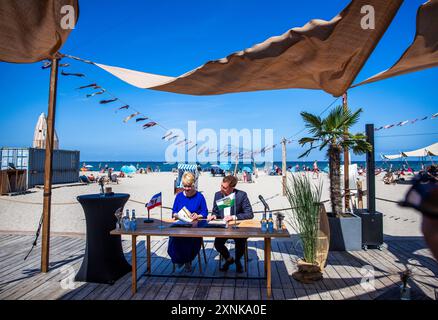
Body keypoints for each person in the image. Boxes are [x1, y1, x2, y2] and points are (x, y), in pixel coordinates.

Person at [208, 175, 254, 273]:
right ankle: (229, 259)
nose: (221, 189)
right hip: (223, 226)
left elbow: (249, 214)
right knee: (217, 244)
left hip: (237, 226)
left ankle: (238, 261)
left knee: (240, 242)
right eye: (221, 186)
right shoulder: (218, 195)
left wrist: (233, 217)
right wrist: (213, 216)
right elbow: (215, 211)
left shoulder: (241, 195)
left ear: (232, 187)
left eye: (224, 187)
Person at [168, 172, 208, 272]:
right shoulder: (179, 196)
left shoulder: (199, 196)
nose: (186, 188)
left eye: (189, 186)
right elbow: (174, 211)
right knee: (174, 238)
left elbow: (205, 212)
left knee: (189, 238)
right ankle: (179, 259)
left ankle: (187, 260)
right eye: (185, 186)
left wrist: (197, 215)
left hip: (194, 226)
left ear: (193, 184)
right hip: (180, 225)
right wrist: (176, 215)